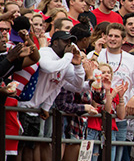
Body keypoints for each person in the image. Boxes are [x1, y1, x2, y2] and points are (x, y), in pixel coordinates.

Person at [18, 31, 84, 161]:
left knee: (31, 147)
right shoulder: (46, 53)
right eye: (65, 41)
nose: (68, 45)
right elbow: (49, 68)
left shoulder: (64, 61)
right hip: (21, 106)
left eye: (70, 42)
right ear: (55, 42)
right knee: (19, 147)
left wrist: (78, 65)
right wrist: (68, 56)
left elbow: (78, 85)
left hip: (35, 109)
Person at [94, 23, 134, 161]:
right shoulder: (96, 55)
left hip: (120, 117)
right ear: (105, 37)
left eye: (117, 36)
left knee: (117, 157)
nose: (113, 39)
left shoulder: (132, 60)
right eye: (110, 36)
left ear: (123, 40)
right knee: (95, 155)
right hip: (97, 116)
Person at [84, 63, 128, 161]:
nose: (107, 74)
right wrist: (109, 94)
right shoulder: (92, 89)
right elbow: (100, 108)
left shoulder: (113, 91)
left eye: (109, 72)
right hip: (93, 128)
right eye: (103, 72)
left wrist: (120, 97)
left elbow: (121, 115)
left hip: (109, 129)